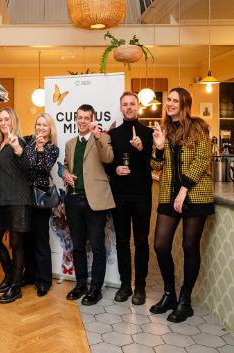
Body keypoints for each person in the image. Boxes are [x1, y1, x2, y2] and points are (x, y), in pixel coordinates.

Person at [150, 87, 214, 323]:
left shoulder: (198, 127)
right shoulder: (164, 130)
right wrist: (158, 147)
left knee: (189, 246)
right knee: (160, 246)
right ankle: (170, 294)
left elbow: (202, 159)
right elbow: (155, 167)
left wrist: (184, 189)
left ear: (185, 104)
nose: (170, 103)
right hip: (168, 194)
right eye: (168, 99)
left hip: (195, 195)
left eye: (175, 100)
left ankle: (185, 301)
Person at [62, 104, 114, 306]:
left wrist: (98, 136)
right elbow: (66, 165)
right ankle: (81, 284)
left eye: (86, 117)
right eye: (79, 117)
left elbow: (108, 158)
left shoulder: (103, 138)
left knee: (97, 246)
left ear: (92, 119)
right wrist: (65, 173)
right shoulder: (70, 143)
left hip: (95, 202)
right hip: (74, 200)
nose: (82, 121)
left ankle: (96, 289)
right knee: (77, 246)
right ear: (76, 119)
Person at [106, 92, 153, 305]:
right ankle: (126, 285)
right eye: (125, 104)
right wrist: (115, 168)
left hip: (142, 195)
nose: (128, 107)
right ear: (120, 107)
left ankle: (140, 287)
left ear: (138, 106)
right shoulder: (113, 134)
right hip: (120, 196)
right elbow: (106, 162)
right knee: (122, 242)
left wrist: (141, 149)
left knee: (141, 242)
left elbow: (154, 164)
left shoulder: (149, 133)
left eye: (132, 104)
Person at [0, 106, 33, 304]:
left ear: (14, 121)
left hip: (18, 200)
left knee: (16, 244)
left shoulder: (19, 142)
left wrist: (17, 149)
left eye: (7, 119)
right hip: (0, 201)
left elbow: (27, 167)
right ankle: (10, 274)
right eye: (1, 120)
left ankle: (16, 286)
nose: (4, 122)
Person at [23, 113, 59, 297]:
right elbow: (24, 167)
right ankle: (29, 274)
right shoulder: (27, 141)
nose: (41, 128)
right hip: (24, 196)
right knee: (26, 238)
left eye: (45, 125)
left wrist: (39, 149)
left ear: (50, 128)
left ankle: (44, 280)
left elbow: (42, 169)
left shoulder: (52, 148)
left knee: (41, 240)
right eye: (39, 124)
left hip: (41, 198)